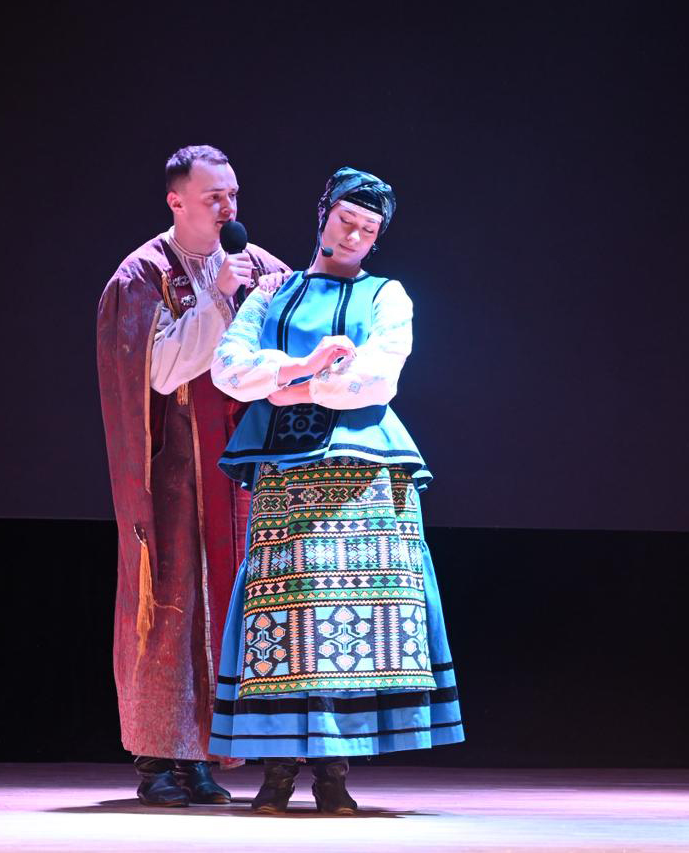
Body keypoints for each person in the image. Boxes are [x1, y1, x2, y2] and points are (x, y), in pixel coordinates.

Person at [207, 167, 464, 814]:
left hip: (360, 471)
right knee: (282, 616)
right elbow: (229, 368)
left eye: (368, 229)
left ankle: (333, 772)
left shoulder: (386, 296)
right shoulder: (273, 292)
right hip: (286, 470)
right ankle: (277, 771)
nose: (354, 235)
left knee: (347, 622)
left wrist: (289, 387)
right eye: (346, 220)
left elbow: (377, 378)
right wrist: (305, 366)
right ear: (323, 215)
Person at [96, 145, 290, 806]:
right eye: (213, 197)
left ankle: (204, 754)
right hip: (173, 471)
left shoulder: (263, 267)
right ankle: (157, 757)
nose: (227, 207)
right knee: (169, 599)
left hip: (238, 469)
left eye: (232, 194)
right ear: (177, 202)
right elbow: (158, 372)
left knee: (229, 604)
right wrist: (217, 298)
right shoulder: (143, 274)